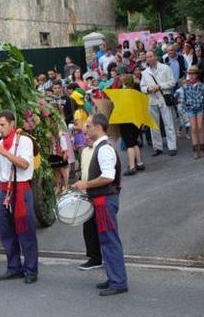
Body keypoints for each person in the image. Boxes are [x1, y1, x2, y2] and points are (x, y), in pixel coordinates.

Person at [72, 114, 127, 296]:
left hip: (105, 200)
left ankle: (118, 282)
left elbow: (108, 177)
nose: (85, 129)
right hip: (101, 200)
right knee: (106, 241)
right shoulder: (100, 147)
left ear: (97, 127)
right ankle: (114, 277)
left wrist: (85, 184)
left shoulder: (104, 149)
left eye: (88, 126)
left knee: (110, 241)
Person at [0, 110, 38, 283]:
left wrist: (3, 152)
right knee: (7, 232)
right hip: (4, 190)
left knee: (25, 231)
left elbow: (23, 164)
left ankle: (31, 270)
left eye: (3, 125)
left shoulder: (24, 140)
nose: (0, 129)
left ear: (12, 124)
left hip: (21, 190)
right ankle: (14, 267)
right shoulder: (0, 142)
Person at [140, 51, 178, 156]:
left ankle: (172, 146)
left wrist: (159, 86)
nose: (149, 58)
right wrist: (148, 88)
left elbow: (172, 82)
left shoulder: (165, 68)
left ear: (155, 57)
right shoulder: (145, 72)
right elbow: (142, 87)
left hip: (163, 98)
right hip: (152, 100)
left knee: (168, 123)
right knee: (154, 125)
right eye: (147, 57)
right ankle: (157, 147)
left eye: (151, 56)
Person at [78, 128, 102, 270]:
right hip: (87, 193)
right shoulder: (84, 152)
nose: (85, 137)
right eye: (83, 135)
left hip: (99, 192)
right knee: (88, 227)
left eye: (87, 134)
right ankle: (94, 257)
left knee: (103, 228)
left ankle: (106, 256)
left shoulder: (101, 149)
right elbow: (84, 171)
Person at [182, 66, 204, 159]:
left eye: (193, 74)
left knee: (199, 127)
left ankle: (202, 148)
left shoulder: (201, 85)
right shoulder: (186, 86)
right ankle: (195, 149)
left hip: (199, 108)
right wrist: (183, 111)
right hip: (190, 109)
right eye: (190, 74)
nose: (191, 76)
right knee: (193, 128)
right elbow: (183, 99)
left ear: (197, 75)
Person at [119, 74, 145, 175]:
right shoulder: (136, 91)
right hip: (136, 120)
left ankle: (132, 166)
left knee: (129, 144)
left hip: (126, 120)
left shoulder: (123, 93)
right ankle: (139, 162)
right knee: (134, 142)